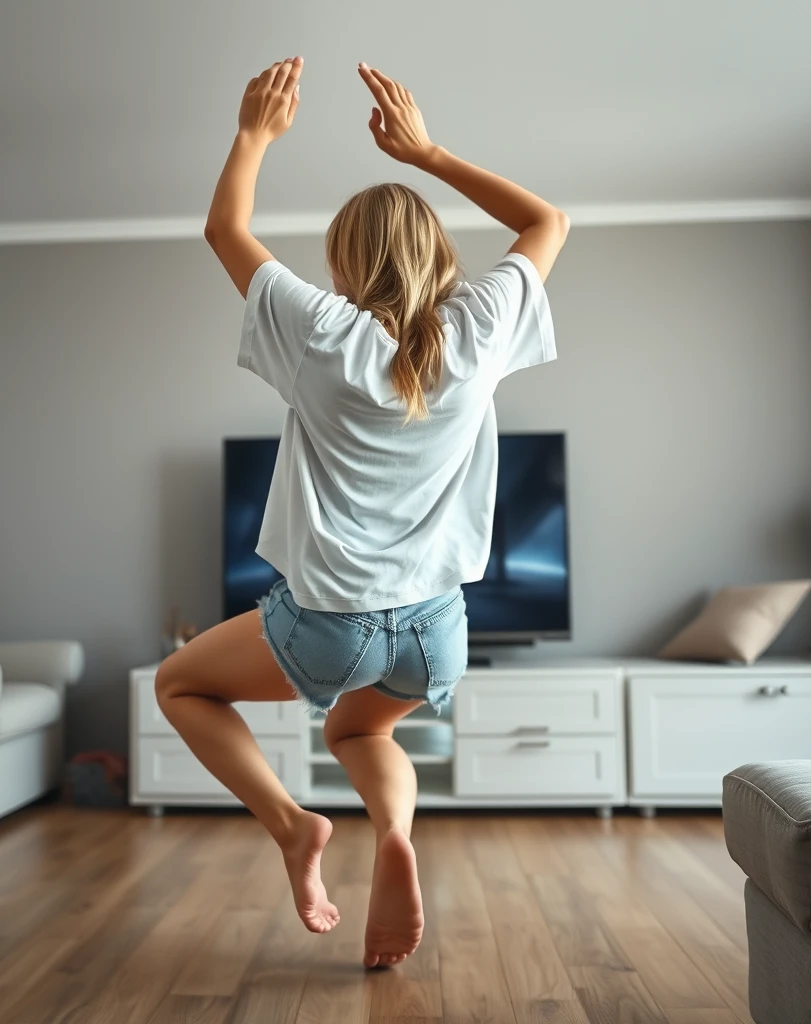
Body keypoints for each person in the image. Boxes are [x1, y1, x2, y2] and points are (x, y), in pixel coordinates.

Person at [155, 56, 568, 969]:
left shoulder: (322, 333)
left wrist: (255, 135)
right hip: (438, 631)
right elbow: (547, 221)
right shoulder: (480, 325)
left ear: (344, 263)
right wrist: (429, 154)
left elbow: (226, 228)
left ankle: (295, 828)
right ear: (437, 256)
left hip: (330, 624)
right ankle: (393, 834)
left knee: (178, 685)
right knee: (363, 728)